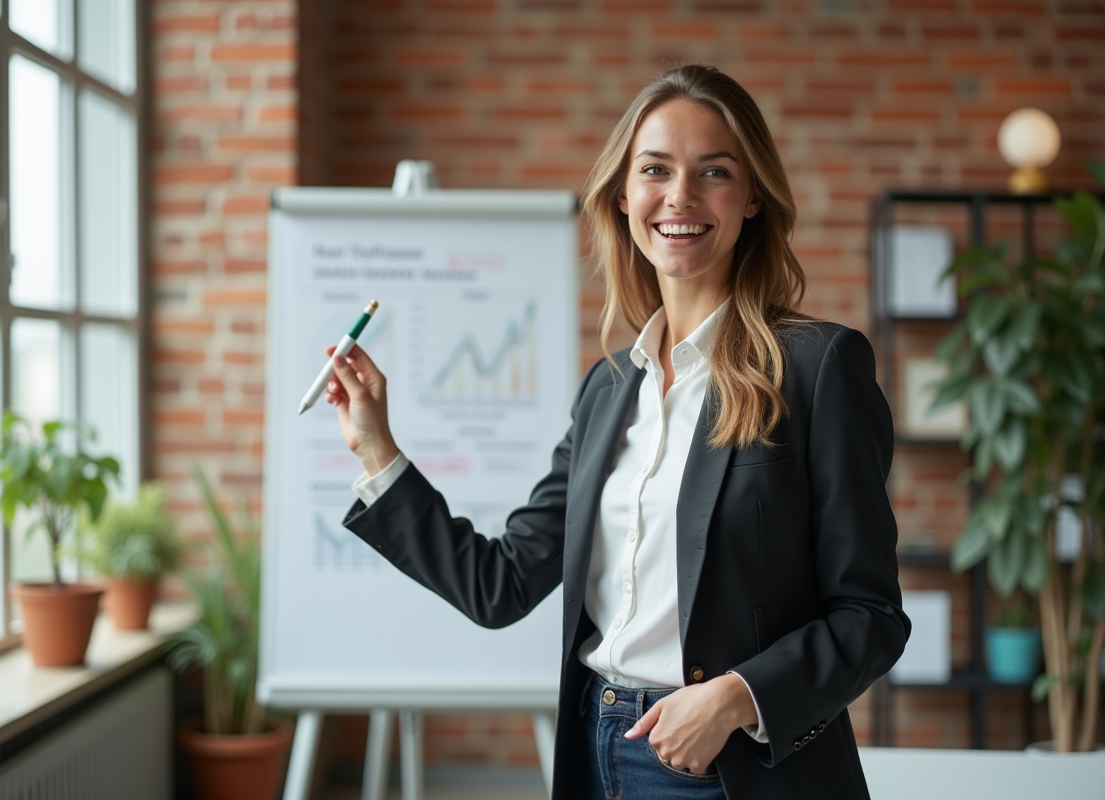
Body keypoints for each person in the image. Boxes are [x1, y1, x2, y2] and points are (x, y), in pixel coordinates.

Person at [323, 64, 910, 800]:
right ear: (624, 195)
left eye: (714, 172)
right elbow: (501, 585)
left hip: (731, 769)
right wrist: (376, 448)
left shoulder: (817, 368)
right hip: (595, 753)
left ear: (753, 196)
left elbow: (871, 617)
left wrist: (735, 698)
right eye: (655, 170)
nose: (680, 196)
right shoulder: (605, 392)